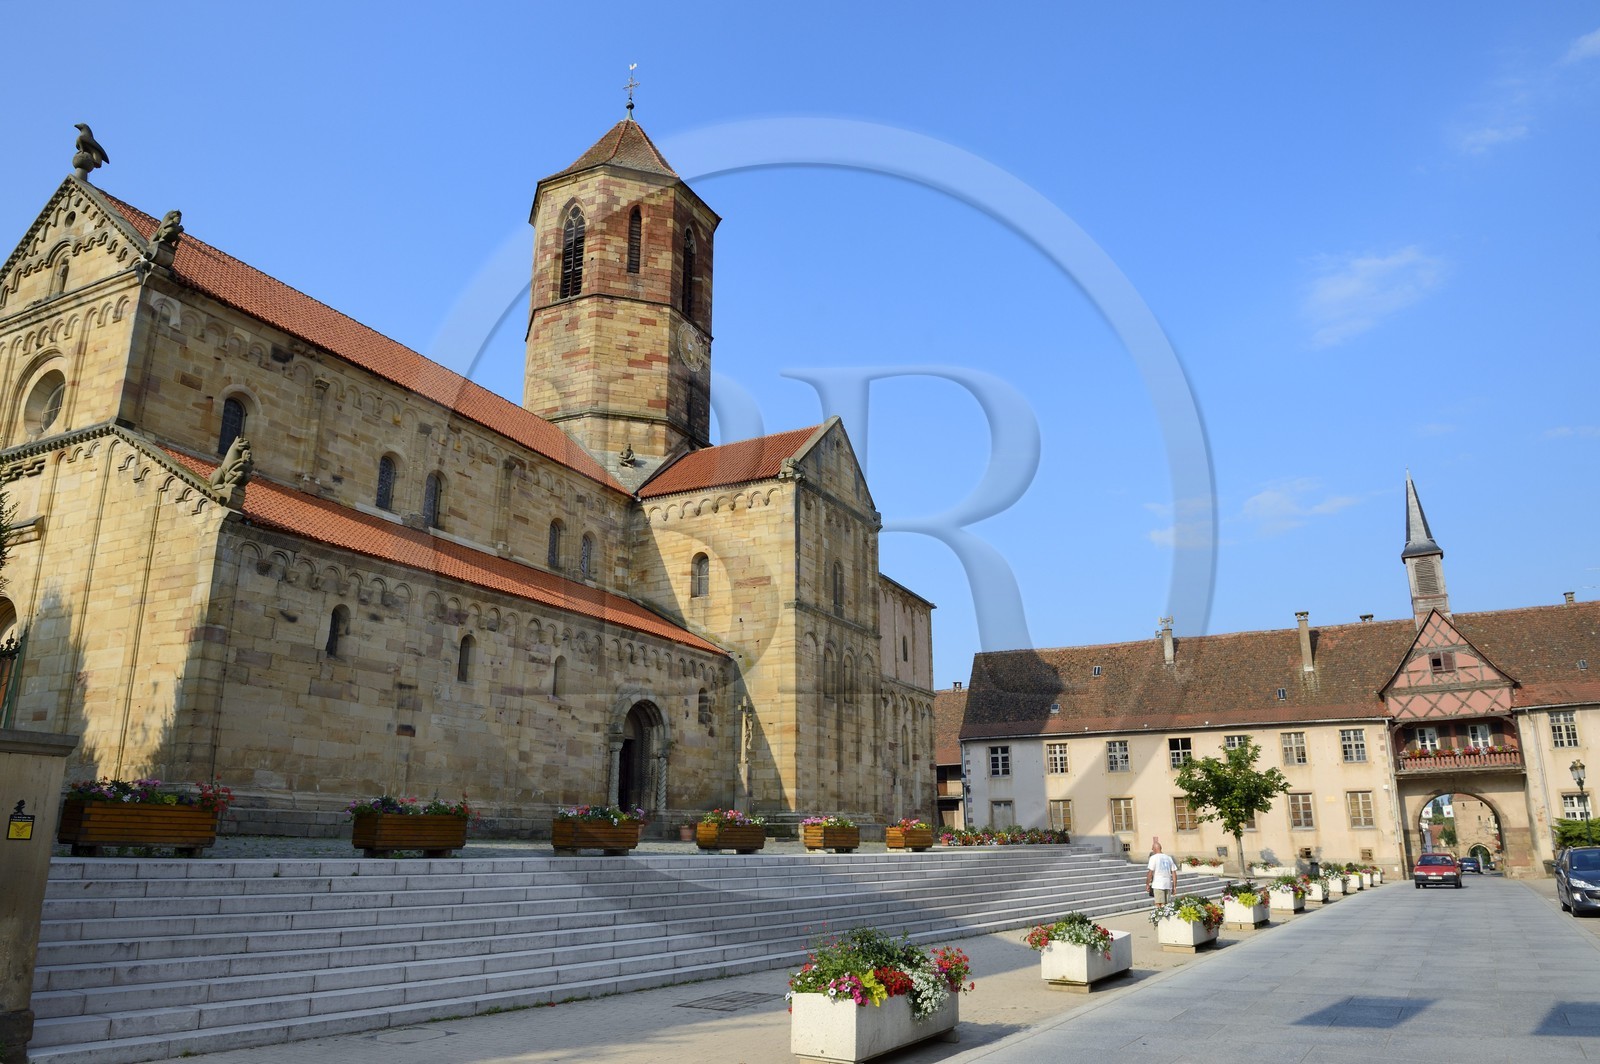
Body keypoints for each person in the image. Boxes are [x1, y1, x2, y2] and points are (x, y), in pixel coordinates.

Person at [1146, 839, 1178, 905]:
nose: (1152, 850)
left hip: (1158, 884)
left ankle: (1160, 915)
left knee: (1159, 904)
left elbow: (1150, 872)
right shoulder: (1168, 858)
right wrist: (1174, 886)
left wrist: (1147, 884)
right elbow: (1174, 873)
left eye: (1152, 849)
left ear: (1154, 849)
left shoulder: (1153, 858)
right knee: (1165, 905)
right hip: (1167, 884)